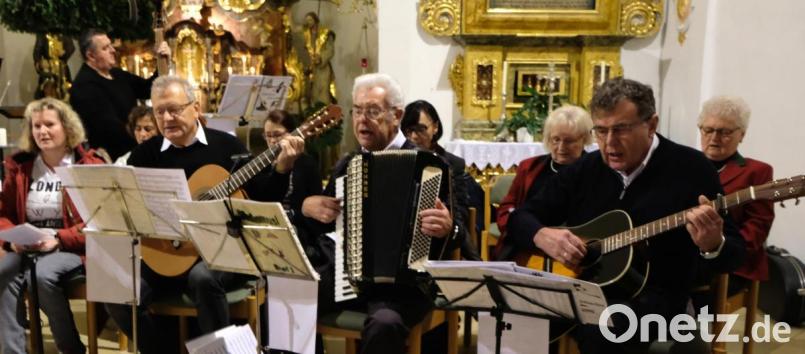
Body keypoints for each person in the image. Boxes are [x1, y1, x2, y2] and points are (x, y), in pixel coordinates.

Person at [507, 78, 746, 352]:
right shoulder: (587, 168)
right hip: (583, 286)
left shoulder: (692, 169)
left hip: (656, 297)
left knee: (607, 331)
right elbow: (520, 218)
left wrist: (712, 244)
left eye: (621, 130)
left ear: (652, 125)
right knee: (510, 314)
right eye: (601, 131)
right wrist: (542, 235)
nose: (609, 143)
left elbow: (735, 253)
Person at [104, 76, 304, 354]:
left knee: (202, 277)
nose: (166, 117)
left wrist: (283, 168)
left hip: (221, 248)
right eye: (159, 111)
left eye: (174, 109)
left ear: (195, 107)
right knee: (115, 287)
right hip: (167, 251)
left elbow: (264, 197)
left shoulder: (227, 147)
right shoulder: (144, 155)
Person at [302, 73, 463, 354]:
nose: (362, 119)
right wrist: (308, 208)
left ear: (397, 115)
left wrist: (448, 228)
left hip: (405, 286)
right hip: (348, 276)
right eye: (357, 110)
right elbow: (324, 226)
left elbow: (460, 233)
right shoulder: (348, 164)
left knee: (384, 324)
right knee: (288, 297)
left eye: (373, 111)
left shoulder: (429, 165)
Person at [0, 98, 105, 354]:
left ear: (66, 127)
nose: (42, 132)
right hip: (26, 246)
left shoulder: (89, 165)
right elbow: (3, 214)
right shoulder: (20, 165)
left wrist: (59, 238)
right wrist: (9, 240)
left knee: (43, 274)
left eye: (49, 124)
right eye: (36, 126)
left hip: (70, 248)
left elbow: (98, 221)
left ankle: (70, 349)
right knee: (2, 271)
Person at [494, 105, 593, 260]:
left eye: (569, 141)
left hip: (574, 253)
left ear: (584, 139)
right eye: (556, 139)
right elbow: (507, 208)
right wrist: (519, 228)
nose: (561, 147)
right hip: (526, 246)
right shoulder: (529, 167)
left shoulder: (592, 170)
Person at [698, 95, 774, 293]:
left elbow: (757, 227)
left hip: (732, 267)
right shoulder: (686, 165)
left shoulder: (757, 171)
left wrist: (723, 251)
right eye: (708, 130)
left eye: (725, 132)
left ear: (742, 135)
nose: (714, 138)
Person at [69, 28, 170, 160]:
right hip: (111, 158)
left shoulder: (116, 74)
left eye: (111, 45)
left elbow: (148, 89)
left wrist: (162, 63)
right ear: (91, 55)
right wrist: (145, 138)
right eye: (105, 48)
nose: (113, 50)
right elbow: (110, 129)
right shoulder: (84, 86)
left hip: (133, 147)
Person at [401, 99, 478, 260]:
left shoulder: (452, 163)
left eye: (421, 129)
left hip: (438, 240)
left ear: (435, 127)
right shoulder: (399, 158)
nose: (413, 136)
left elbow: (460, 213)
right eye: (408, 130)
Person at [302, 12, 337, 107]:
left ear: (315, 20)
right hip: (313, 70)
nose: (308, 22)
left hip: (323, 69)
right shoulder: (307, 35)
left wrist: (321, 58)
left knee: (324, 95)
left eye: (310, 20)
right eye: (307, 21)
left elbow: (330, 50)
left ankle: (325, 116)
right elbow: (306, 51)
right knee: (314, 95)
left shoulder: (325, 33)